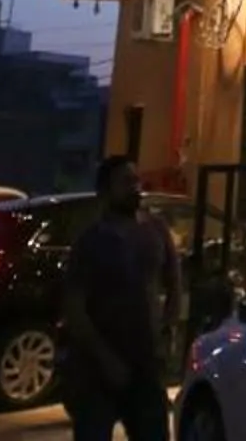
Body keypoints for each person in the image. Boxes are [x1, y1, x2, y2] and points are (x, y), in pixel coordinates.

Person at [62, 155, 180, 441]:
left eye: (136, 180)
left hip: (145, 364)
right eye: (126, 182)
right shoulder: (91, 241)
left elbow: (174, 284)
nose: (135, 187)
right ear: (106, 191)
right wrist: (105, 358)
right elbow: (75, 309)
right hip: (97, 371)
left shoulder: (155, 230)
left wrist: (166, 333)